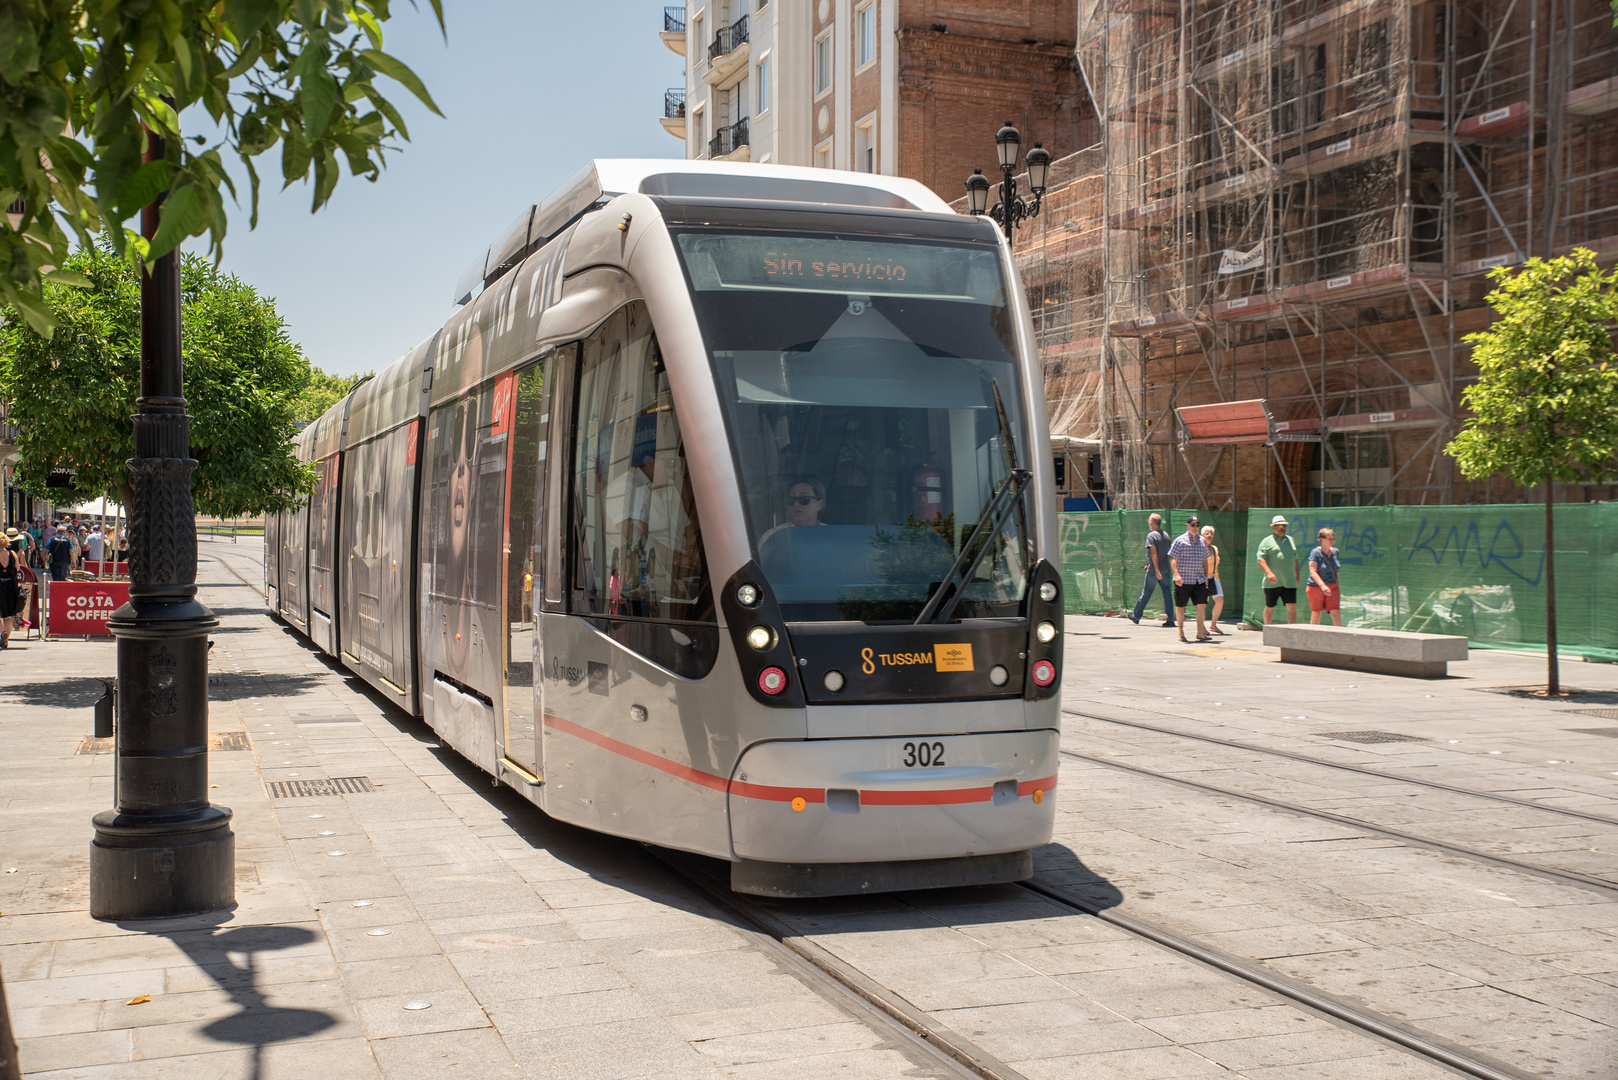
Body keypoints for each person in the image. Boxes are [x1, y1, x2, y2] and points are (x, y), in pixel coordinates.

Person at [1168, 514, 1211, 642]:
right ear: (1187, 526)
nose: (1195, 527)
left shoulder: (1202, 541)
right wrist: (1176, 575)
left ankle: (1200, 632)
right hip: (1184, 579)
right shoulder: (1180, 541)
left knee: (1201, 604)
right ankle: (1181, 632)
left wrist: (1206, 576)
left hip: (1199, 579)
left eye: (1197, 525)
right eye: (1193, 525)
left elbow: (1205, 560)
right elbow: (1173, 559)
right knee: (1181, 606)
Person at [1128, 513, 1176, 627]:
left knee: (1146, 593)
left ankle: (1136, 615)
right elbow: (1164, 553)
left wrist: (1155, 569)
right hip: (1164, 569)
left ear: (1151, 523)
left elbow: (1154, 553)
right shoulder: (1166, 536)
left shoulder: (1151, 536)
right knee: (1167, 594)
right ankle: (1170, 618)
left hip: (1154, 571)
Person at [1256, 514, 1301, 625]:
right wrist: (1269, 573)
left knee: (1291, 607)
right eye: (1279, 525)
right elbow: (1260, 559)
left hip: (1289, 581)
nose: (1282, 528)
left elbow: (1295, 558)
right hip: (1272, 583)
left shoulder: (1290, 540)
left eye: (1284, 525)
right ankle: (1267, 630)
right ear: (1273, 527)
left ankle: (1292, 633)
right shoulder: (1267, 541)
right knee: (1270, 606)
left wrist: (1297, 575)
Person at [759, 477, 828, 547]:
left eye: (803, 499)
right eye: (791, 500)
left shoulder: (831, 535)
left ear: (819, 504)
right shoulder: (772, 538)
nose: (796, 504)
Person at [1307, 527, 1344, 626]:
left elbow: (1336, 571)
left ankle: (1339, 639)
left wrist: (1338, 589)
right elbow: (1313, 571)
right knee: (1316, 614)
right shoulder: (1315, 553)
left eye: (1333, 538)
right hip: (1315, 588)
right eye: (1329, 539)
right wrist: (1323, 586)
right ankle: (1312, 639)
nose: (1332, 541)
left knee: (1336, 613)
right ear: (1322, 540)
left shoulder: (1335, 552)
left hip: (1333, 587)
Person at [1201, 524, 1225, 635]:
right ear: (1202, 535)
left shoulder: (1215, 549)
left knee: (1220, 601)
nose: (1209, 535)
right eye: (1207, 533)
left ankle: (1213, 624)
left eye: (1211, 533)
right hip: (1203, 577)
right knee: (1203, 604)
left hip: (1214, 577)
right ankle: (1201, 627)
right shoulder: (1200, 548)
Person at [0, 530, 21, 647]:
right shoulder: (12, 553)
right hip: (11, 587)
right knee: (8, 616)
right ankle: (6, 639)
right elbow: (17, 568)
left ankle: (2, 632)